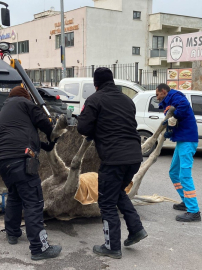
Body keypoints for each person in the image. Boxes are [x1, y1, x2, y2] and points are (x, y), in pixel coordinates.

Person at [77, 67, 147, 259]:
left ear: (95, 84)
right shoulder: (127, 100)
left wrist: (94, 129)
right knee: (116, 193)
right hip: (134, 157)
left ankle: (112, 246)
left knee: (106, 202)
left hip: (114, 158)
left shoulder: (94, 99)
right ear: (113, 81)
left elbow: (83, 127)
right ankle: (136, 229)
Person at [0, 86, 62, 261]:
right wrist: (53, 133)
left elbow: (23, 136)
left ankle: (12, 233)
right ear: (26, 97)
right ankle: (39, 248)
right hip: (19, 159)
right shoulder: (25, 103)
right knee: (33, 201)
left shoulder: (5, 110)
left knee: (15, 194)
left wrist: (46, 145)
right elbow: (44, 122)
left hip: (0, 160)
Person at [156, 83, 201, 222]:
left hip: (188, 140)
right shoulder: (169, 100)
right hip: (182, 140)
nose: (157, 97)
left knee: (184, 175)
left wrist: (174, 116)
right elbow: (169, 111)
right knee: (174, 173)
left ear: (164, 91)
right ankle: (186, 201)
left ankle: (194, 211)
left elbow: (182, 105)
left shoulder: (175, 96)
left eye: (158, 94)